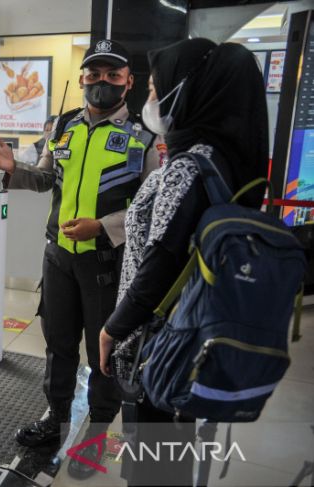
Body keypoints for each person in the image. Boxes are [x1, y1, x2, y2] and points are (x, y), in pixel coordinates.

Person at [0, 39, 161, 479]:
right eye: (93, 74)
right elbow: (42, 179)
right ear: (82, 79)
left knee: (104, 354)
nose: (101, 82)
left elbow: (149, 206)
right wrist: (10, 167)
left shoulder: (146, 140)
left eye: (112, 75)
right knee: (58, 346)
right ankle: (54, 421)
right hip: (57, 259)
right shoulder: (62, 128)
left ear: (128, 83)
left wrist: (103, 226)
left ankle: (95, 437)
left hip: (107, 265)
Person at [99, 38, 268, 486]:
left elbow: (161, 263)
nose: (149, 99)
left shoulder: (188, 168)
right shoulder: (228, 159)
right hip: (198, 335)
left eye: (155, 89)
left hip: (161, 343)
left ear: (187, 92)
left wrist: (113, 328)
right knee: (172, 452)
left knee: (151, 464)